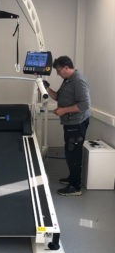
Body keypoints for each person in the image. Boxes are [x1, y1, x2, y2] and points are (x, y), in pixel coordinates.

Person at [44, 56, 91, 196]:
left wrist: (63, 110)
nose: (57, 73)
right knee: (70, 153)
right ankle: (72, 178)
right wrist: (46, 87)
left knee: (74, 154)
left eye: (58, 70)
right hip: (70, 122)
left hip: (77, 123)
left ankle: (75, 187)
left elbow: (85, 104)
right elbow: (58, 97)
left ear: (66, 67)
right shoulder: (67, 80)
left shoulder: (78, 80)